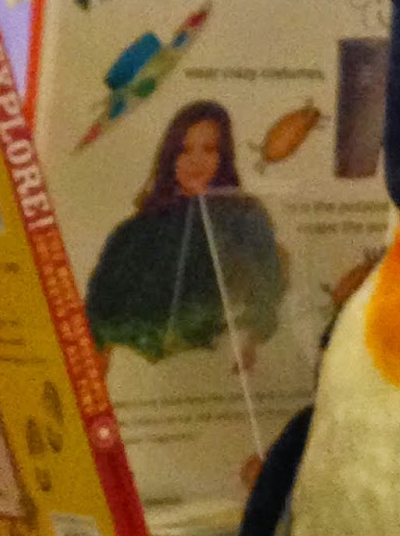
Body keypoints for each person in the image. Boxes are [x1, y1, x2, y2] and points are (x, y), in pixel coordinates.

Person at [86, 100, 286, 374]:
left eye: (209, 149)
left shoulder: (246, 216)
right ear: (170, 157)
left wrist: (251, 341)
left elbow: (266, 291)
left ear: (223, 156)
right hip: (142, 373)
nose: (195, 161)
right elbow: (99, 312)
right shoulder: (134, 232)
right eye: (184, 150)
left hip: (224, 371)